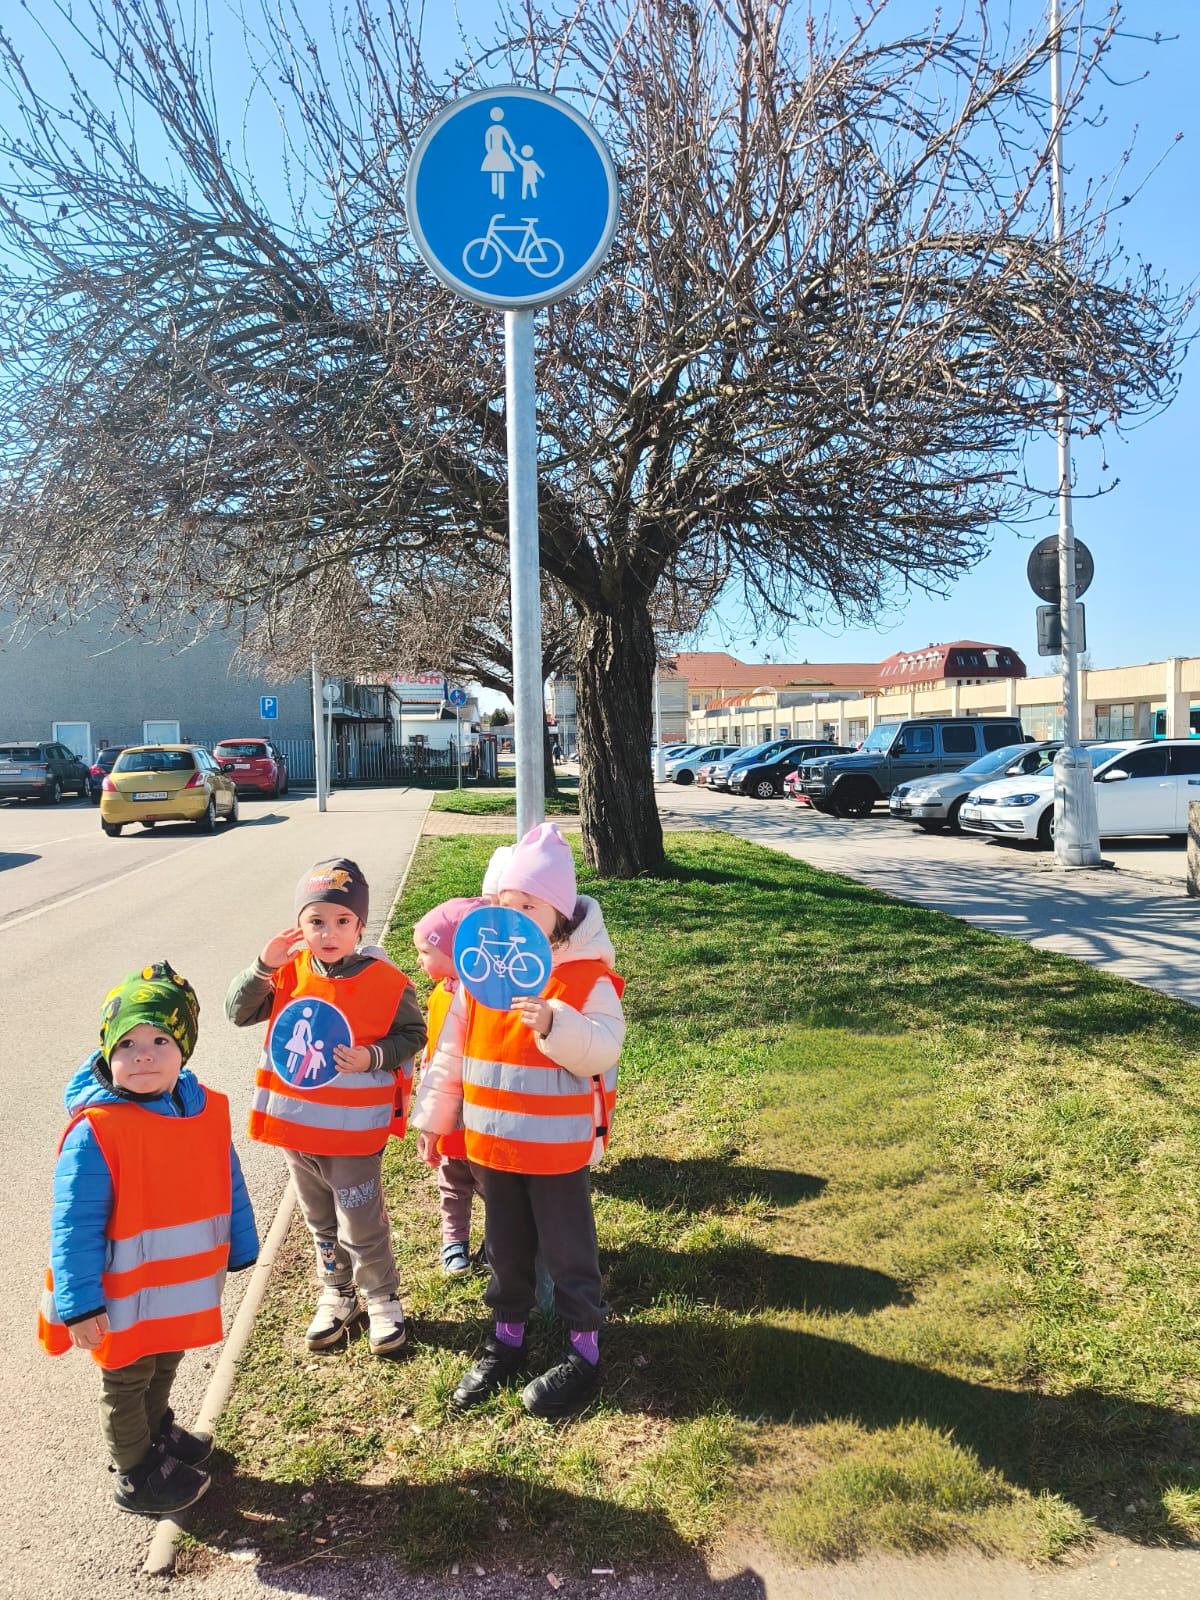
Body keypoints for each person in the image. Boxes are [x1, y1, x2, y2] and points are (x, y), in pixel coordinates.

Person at [412, 823, 624, 1419]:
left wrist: (556, 1022)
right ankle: (506, 1339)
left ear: (560, 914)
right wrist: (435, 1118)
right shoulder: (480, 979)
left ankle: (584, 1350)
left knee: (568, 1250)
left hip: (556, 1150)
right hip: (491, 1146)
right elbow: (450, 1054)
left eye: (530, 905)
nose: (517, 916)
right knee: (504, 1249)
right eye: (507, 904)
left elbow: (604, 1048)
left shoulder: (585, 977)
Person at [38, 962, 259, 1517]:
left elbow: (226, 1175)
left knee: (165, 1360)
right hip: (119, 1296)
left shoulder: (202, 1108)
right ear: (106, 1052)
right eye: (127, 1044)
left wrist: (242, 1242)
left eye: (160, 1040)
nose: (143, 1055)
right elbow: (73, 1226)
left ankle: (157, 1435)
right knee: (127, 1379)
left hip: (174, 1288)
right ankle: (135, 1472)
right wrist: (80, 1305)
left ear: (184, 1050)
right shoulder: (97, 1131)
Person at [225, 857, 426, 1356]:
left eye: (342, 920)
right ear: (300, 924)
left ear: (360, 925)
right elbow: (238, 1012)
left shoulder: (387, 982)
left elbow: (413, 1034)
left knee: (361, 1223)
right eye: (315, 920)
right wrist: (262, 966)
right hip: (297, 1132)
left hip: (353, 1136)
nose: (328, 933)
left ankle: (381, 1297)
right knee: (320, 1221)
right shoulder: (285, 974)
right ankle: (338, 1293)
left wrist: (373, 1057)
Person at [412, 896, 488, 1274]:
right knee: (452, 1182)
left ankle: (496, 1243)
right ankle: (454, 1241)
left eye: (425, 951)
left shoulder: (484, 999)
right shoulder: (438, 994)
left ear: (456, 952)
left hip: (477, 1113)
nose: (419, 960)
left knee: (490, 1186)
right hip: (445, 1114)